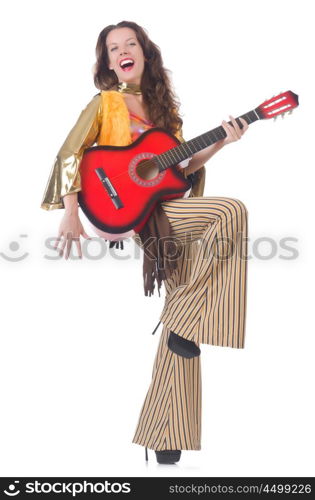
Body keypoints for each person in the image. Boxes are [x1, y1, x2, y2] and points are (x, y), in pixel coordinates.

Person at [41, 20, 249, 465]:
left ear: (145, 52)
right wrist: (71, 213)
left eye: (129, 43)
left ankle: (166, 434)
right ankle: (186, 323)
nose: (122, 51)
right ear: (108, 61)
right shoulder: (105, 103)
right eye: (113, 48)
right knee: (230, 212)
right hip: (136, 214)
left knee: (182, 325)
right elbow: (69, 155)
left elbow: (180, 168)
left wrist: (224, 143)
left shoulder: (163, 110)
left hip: (166, 206)